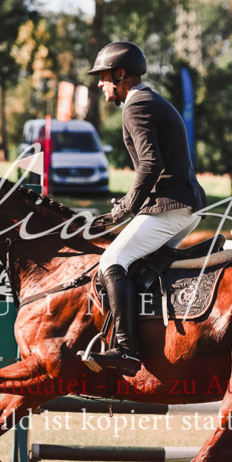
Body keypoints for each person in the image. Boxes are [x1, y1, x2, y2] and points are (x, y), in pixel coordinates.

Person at [86, 41, 205, 376]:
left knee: (112, 260)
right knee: (139, 266)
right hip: (182, 206)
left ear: (121, 75)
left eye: (104, 76)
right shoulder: (151, 101)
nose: (100, 84)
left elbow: (150, 165)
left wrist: (125, 208)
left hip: (169, 207)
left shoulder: (136, 106)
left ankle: (125, 349)